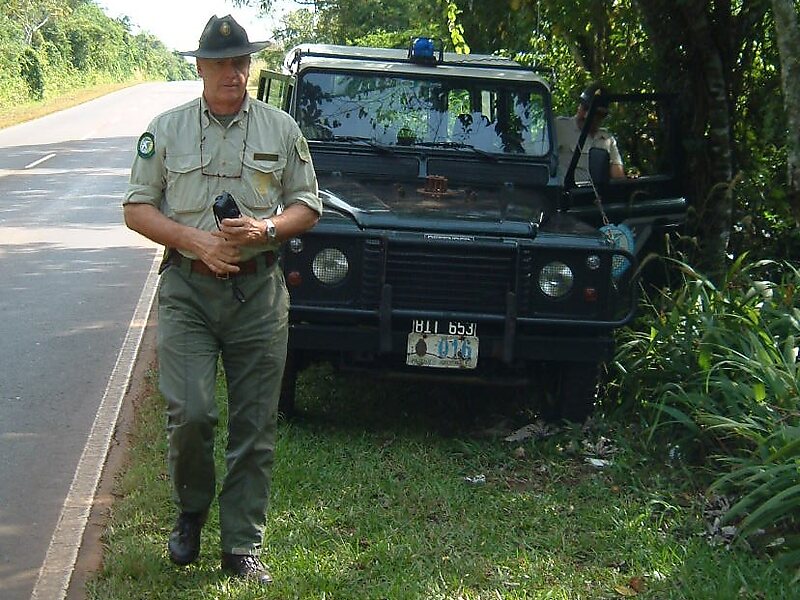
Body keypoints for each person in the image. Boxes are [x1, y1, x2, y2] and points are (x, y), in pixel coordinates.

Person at [123, 14, 321, 585]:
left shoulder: (281, 129)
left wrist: (265, 230)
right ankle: (191, 512)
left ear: (249, 65)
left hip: (258, 292)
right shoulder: (166, 129)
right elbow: (137, 208)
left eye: (241, 62)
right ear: (201, 68)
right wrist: (192, 240)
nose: (233, 73)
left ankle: (240, 546)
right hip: (187, 288)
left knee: (255, 425)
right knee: (190, 411)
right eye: (221, 63)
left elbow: (308, 205)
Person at [555, 83, 625, 183]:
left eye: (594, 112)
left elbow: (618, 177)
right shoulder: (559, 127)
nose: (585, 115)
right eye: (584, 108)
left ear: (602, 116)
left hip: (598, 196)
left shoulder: (607, 139)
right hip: (567, 194)